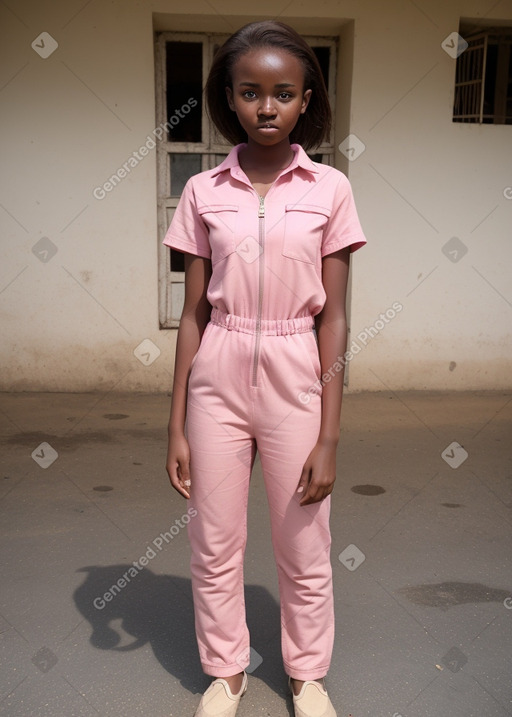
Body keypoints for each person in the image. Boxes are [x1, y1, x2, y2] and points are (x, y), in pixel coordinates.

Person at [164, 20, 367, 717]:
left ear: (307, 98)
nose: (267, 106)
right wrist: (176, 427)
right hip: (217, 375)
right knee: (213, 540)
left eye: (284, 92)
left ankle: (307, 674)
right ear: (229, 97)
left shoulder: (330, 188)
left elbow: (334, 318)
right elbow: (191, 315)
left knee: (304, 541)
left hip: (295, 372)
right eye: (250, 92)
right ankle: (226, 671)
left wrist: (330, 435)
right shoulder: (202, 191)